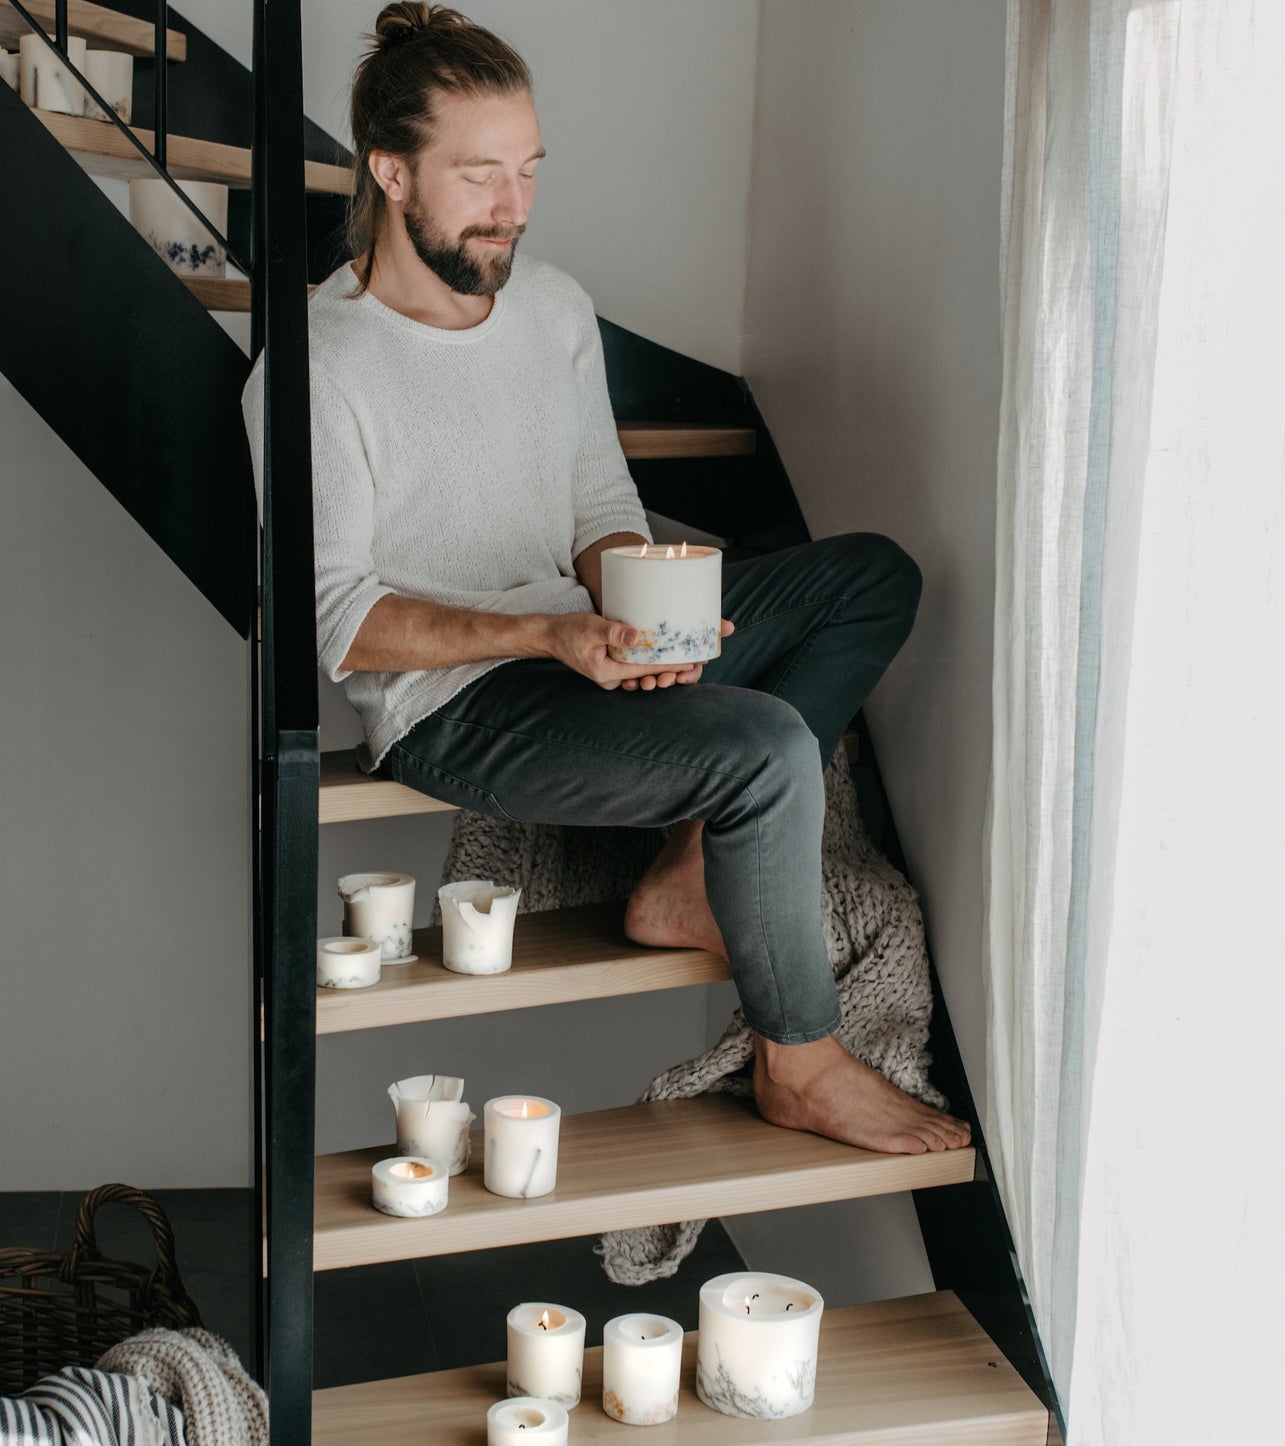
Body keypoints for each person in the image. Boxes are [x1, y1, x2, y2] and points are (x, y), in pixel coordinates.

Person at [241, 2, 970, 1156]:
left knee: (867, 579)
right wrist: (546, 635)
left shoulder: (552, 309)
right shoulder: (317, 371)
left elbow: (596, 507)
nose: (513, 208)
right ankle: (800, 1061)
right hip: (460, 708)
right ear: (389, 170)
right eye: (479, 175)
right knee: (769, 752)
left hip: (576, 640)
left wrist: (646, 604)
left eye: (529, 171)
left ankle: (685, 875)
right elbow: (339, 623)